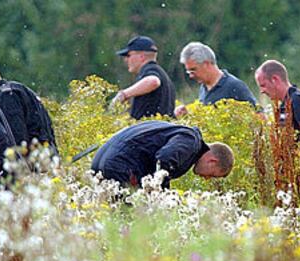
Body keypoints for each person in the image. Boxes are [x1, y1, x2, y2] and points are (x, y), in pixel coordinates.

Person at [91, 120, 234, 188]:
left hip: (101, 160)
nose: (207, 178)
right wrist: (160, 194)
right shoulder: (191, 140)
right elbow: (164, 159)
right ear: (212, 161)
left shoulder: (181, 133)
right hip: (120, 164)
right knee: (130, 221)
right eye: (212, 175)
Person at [0, 64, 58, 155]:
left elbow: (17, 138)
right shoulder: (15, 88)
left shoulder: (6, 97)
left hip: (36, 160)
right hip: (47, 154)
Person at [175, 42, 257, 117]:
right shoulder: (203, 88)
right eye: (189, 71)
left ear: (206, 64)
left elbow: (259, 116)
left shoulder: (234, 86)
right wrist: (187, 115)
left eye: (193, 70)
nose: (191, 76)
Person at [112, 36, 176, 120]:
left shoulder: (151, 69)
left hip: (151, 131)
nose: (125, 60)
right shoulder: (163, 75)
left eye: (128, 55)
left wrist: (124, 94)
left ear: (141, 57)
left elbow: (153, 81)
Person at [255, 60, 300, 140]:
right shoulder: (284, 105)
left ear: (275, 79)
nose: (262, 91)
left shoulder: (297, 100)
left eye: (263, 85)